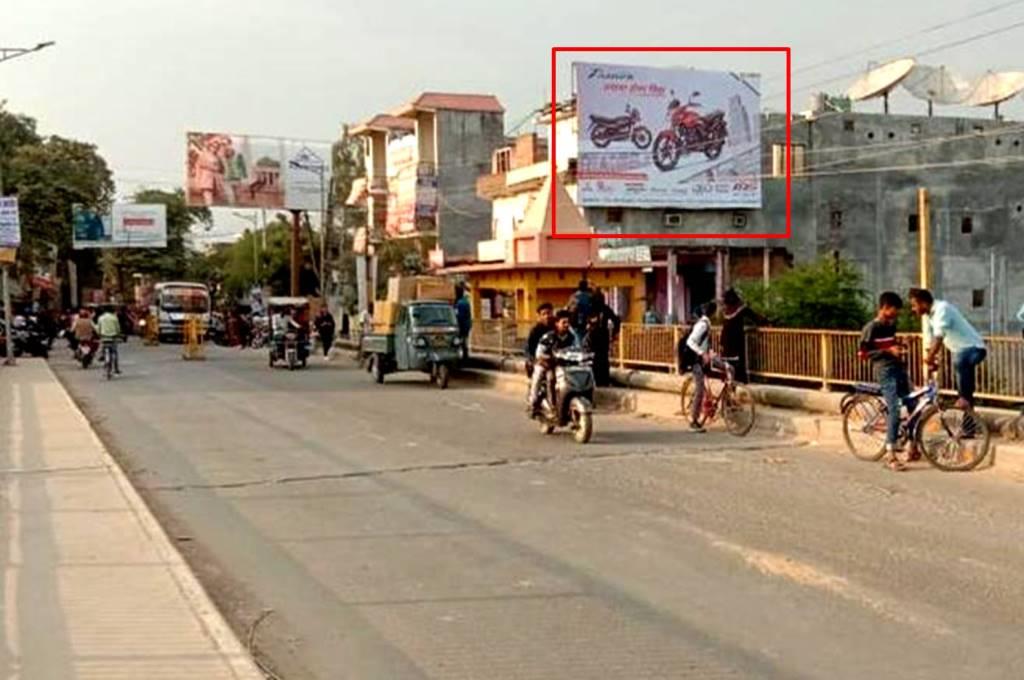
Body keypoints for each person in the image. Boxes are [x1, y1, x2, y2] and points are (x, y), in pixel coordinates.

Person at [909, 288, 987, 410]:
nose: (913, 309)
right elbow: (930, 341)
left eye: (914, 305)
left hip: (975, 349)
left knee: (959, 361)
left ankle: (964, 398)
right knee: (961, 367)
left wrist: (929, 359)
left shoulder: (942, 309)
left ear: (923, 303)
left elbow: (939, 337)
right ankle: (969, 422)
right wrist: (931, 360)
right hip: (962, 351)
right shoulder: (930, 316)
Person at [860, 292, 912, 471]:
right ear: (885, 308)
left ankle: (912, 444)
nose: (896, 314)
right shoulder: (871, 328)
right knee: (895, 409)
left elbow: (888, 344)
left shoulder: (891, 325)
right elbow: (864, 354)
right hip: (884, 370)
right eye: (894, 310)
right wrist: (889, 351)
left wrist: (899, 345)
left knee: (912, 402)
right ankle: (890, 453)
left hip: (898, 368)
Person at [528, 309, 577, 416]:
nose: (566, 325)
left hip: (562, 365)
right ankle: (533, 402)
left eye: (568, 322)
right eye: (563, 322)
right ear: (557, 323)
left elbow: (577, 349)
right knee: (543, 377)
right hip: (546, 364)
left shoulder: (571, 337)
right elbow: (539, 353)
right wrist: (547, 359)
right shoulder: (549, 337)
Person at [682, 302, 717, 433]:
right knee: (700, 389)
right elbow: (690, 341)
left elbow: (706, 342)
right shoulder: (702, 325)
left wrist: (710, 353)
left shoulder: (707, 324)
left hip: (704, 358)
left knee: (727, 367)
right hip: (696, 360)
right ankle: (694, 421)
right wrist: (702, 353)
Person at [720, 289, 766, 384]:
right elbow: (756, 318)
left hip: (725, 343)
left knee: (728, 369)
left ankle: (729, 389)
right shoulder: (741, 309)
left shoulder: (726, 312)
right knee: (738, 368)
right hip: (736, 343)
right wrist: (767, 322)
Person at [584, 290, 620, 387]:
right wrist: (614, 333)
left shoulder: (595, 309)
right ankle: (601, 381)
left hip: (599, 336)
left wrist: (615, 333)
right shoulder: (601, 309)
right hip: (599, 336)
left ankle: (601, 381)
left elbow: (616, 320)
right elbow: (616, 320)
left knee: (600, 359)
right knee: (600, 359)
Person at [525, 302, 555, 378]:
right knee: (538, 376)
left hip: (556, 359)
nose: (547, 316)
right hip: (539, 359)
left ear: (552, 313)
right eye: (544, 314)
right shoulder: (535, 331)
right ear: (539, 316)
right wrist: (535, 360)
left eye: (549, 313)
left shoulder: (557, 327)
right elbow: (529, 349)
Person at [96, 306, 122, 375]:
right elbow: (118, 328)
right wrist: (118, 334)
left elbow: (98, 328)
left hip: (104, 337)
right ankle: (116, 368)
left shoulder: (100, 318)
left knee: (102, 347)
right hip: (113, 337)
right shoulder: (114, 318)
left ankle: (102, 356)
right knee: (114, 352)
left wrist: (99, 334)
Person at [454, 284, 472, 360]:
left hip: (461, 325)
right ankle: (465, 355)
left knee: (461, 340)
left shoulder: (459, 304)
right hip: (466, 324)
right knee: (464, 340)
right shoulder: (465, 302)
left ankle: (463, 355)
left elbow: (458, 316)